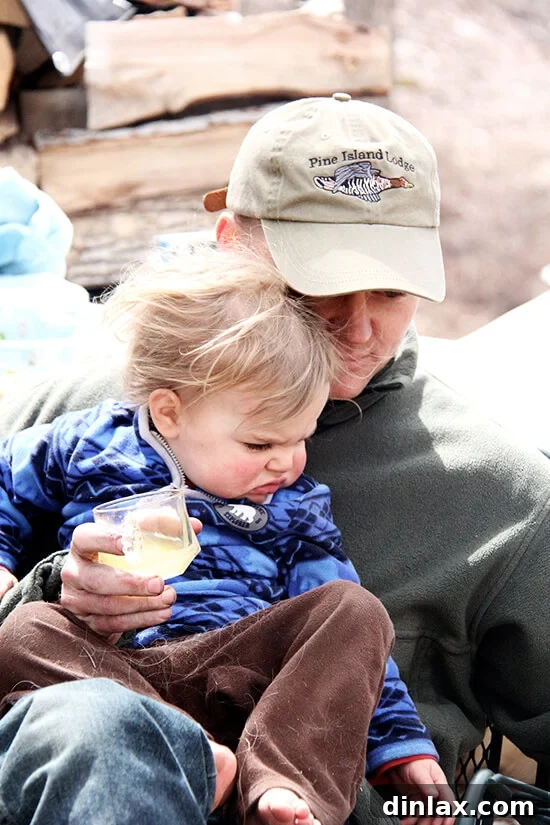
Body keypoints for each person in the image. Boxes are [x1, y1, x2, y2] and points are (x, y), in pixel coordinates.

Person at [0, 93, 548, 806]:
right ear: (229, 241)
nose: (357, 329)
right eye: (317, 283)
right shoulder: (81, 412)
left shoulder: (500, 498)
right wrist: (46, 587)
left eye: (389, 289)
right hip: (94, 781)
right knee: (94, 719)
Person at [0, 247, 452, 825]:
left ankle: (283, 787)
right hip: (110, 667)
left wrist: (397, 745)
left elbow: (353, 649)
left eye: (302, 437)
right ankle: (182, 750)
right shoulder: (88, 443)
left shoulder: (296, 504)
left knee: (354, 610)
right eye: (260, 444)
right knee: (28, 626)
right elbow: (8, 484)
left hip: (240, 672)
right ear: (170, 413)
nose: (287, 463)